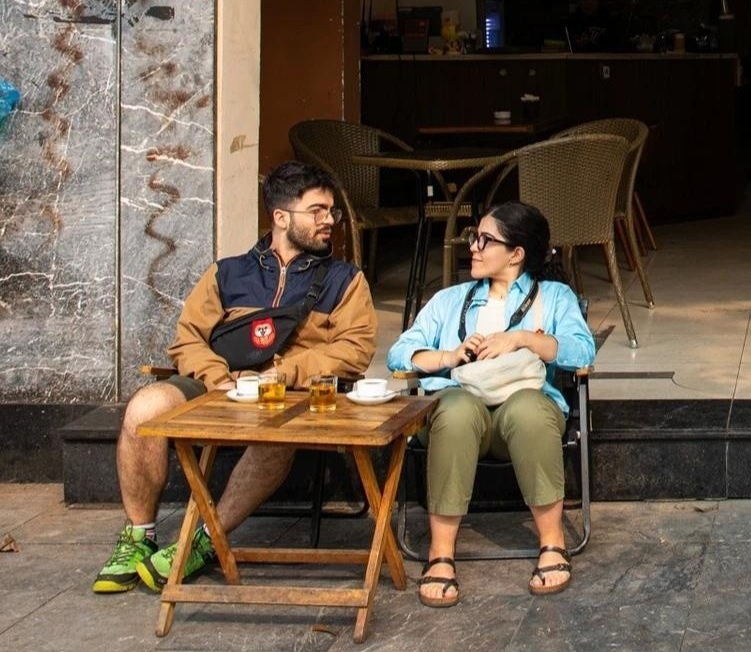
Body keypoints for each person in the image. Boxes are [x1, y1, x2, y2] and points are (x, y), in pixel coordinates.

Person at [93, 160, 377, 595]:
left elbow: (355, 349)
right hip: (218, 385)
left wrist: (284, 373)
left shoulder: (345, 280)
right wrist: (218, 379)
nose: (329, 220)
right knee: (143, 409)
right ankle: (138, 535)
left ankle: (205, 539)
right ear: (281, 217)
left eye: (331, 211)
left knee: (274, 433)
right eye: (317, 211)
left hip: (289, 395)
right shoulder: (227, 273)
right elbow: (188, 339)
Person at [387, 201, 595, 608]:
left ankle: (552, 542)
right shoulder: (450, 299)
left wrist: (522, 339)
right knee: (456, 409)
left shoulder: (554, 297)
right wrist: (450, 356)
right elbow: (399, 354)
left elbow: (583, 351)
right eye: (473, 237)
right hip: (461, 416)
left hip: (523, 413)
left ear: (516, 254)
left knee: (528, 409)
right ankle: (440, 552)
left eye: (485, 240)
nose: (473, 247)